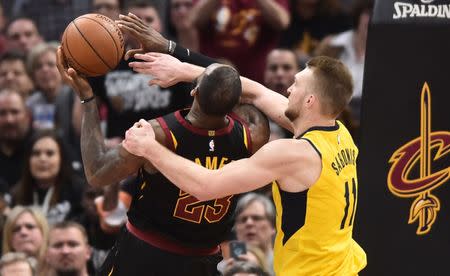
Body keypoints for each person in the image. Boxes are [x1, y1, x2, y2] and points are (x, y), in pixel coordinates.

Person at [121, 53, 367, 275]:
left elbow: (207, 186)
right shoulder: (338, 133)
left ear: (310, 101)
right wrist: (185, 70)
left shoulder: (295, 154)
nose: (289, 89)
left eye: (296, 85)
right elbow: (257, 92)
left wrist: (150, 148)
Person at [56, 40, 270, 275]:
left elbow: (97, 173)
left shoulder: (157, 134)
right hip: (202, 262)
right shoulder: (254, 133)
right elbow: (251, 91)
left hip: (145, 256)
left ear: (194, 91)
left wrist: (87, 98)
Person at [12, 130, 85, 225]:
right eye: (36, 153)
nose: (42, 159)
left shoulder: (78, 191)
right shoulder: (16, 194)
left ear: (62, 159)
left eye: (50, 153)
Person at [0, 89, 32, 192]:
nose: (9, 120)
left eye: (15, 112)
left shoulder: (41, 147)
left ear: (27, 116)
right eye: (2, 113)